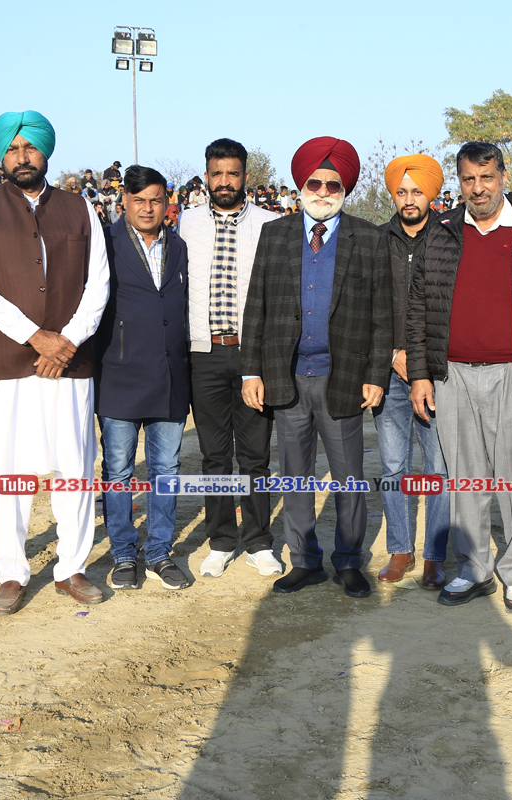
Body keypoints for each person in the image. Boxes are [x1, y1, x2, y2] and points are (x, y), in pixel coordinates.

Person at [407, 141, 512, 614]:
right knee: (465, 479)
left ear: (502, 176)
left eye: (486, 177)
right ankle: (474, 568)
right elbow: (418, 309)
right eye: (468, 179)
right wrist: (420, 375)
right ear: (459, 183)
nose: (478, 188)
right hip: (452, 376)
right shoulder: (440, 232)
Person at [0, 110, 111, 615]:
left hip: (71, 362)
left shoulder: (79, 207)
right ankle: (11, 573)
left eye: (30, 147)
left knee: (75, 467)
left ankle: (72, 568)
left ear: (46, 151)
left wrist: (67, 340)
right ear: (1, 155)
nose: (22, 157)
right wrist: (35, 337)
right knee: (11, 472)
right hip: (8, 362)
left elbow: (99, 283)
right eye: (12, 148)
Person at [240, 136, 392, 598]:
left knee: (349, 478)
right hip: (286, 377)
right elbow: (256, 306)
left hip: (342, 377)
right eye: (315, 183)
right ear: (300, 186)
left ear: (344, 189)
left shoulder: (369, 238)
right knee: (296, 476)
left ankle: (348, 561)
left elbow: (382, 315)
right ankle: (305, 561)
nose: (323, 191)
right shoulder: (276, 234)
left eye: (333, 184)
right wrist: (251, 372)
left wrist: (376, 375)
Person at [179, 138, 282, 579]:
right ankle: (221, 541)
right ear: (207, 176)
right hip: (203, 354)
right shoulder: (186, 223)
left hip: (251, 355)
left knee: (255, 456)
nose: (225, 181)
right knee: (214, 456)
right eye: (217, 173)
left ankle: (258, 541)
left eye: (232, 174)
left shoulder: (269, 224)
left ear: (245, 177)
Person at [92, 165, 192, 591]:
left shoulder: (179, 246)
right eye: (139, 200)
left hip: (170, 375)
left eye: (155, 199)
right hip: (118, 376)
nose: (148, 208)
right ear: (124, 202)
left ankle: (159, 552)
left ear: (167, 203)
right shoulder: (104, 243)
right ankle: (123, 553)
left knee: (165, 468)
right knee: (117, 471)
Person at [374, 154, 450, 589]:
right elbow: (365, 306)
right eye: (401, 191)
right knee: (392, 467)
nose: (408, 199)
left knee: (438, 468)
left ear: (431, 194)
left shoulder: (450, 238)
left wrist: (420, 359)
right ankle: (400, 550)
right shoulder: (375, 240)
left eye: (417, 191)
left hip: (436, 374)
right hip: (387, 374)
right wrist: (391, 354)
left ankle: (435, 556)